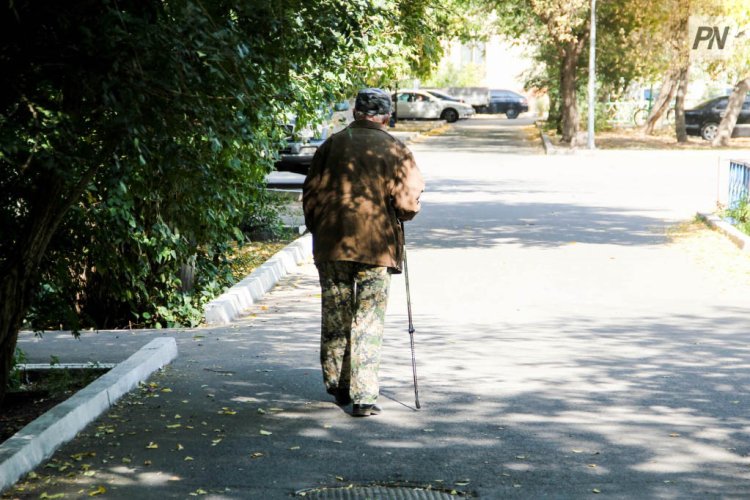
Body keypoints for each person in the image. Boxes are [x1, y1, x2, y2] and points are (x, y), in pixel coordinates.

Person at [302, 88, 425, 417]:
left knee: (336, 316)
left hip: (332, 245)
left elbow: (310, 196)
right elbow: (408, 204)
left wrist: (321, 229)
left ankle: (338, 385)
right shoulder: (396, 149)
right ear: (386, 117)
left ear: (356, 113)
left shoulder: (330, 145)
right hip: (376, 247)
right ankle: (364, 396)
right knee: (367, 319)